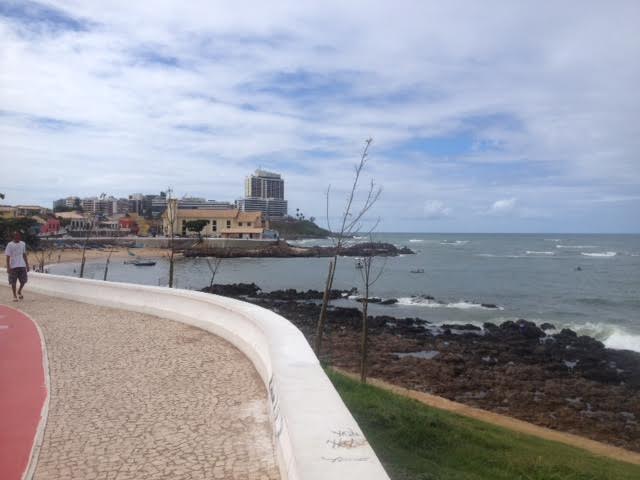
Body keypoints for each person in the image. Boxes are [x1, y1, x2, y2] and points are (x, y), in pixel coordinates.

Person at [5, 231, 29, 302]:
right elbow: (8, 257)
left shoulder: (23, 244)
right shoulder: (10, 245)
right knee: (13, 282)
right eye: (16, 236)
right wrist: (8, 267)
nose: (18, 237)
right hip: (13, 267)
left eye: (19, 236)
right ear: (13, 237)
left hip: (22, 265)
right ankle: (14, 296)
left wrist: (27, 265)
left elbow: (24, 255)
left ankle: (19, 291)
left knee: (23, 281)